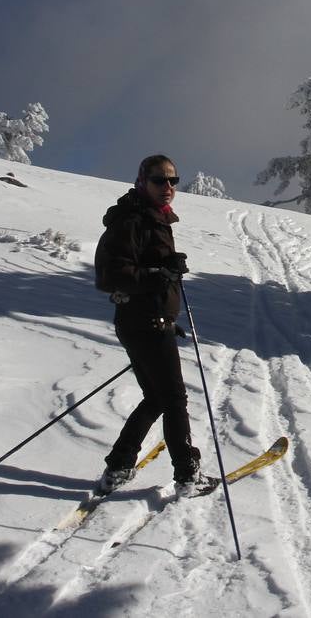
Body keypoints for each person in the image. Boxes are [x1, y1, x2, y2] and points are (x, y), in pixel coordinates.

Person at [93, 154, 215, 495]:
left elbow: (148, 276)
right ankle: (187, 475)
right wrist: (157, 274)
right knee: (173, 399)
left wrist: (164, 288)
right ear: (142, 182)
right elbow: (109, 275)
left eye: (174, 181)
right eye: (160, 180)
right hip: (143, 323)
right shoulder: (131, 222)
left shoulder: (155, 219)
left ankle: (119, 464)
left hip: (149, 321)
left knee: (157, 398)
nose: (169, 187)